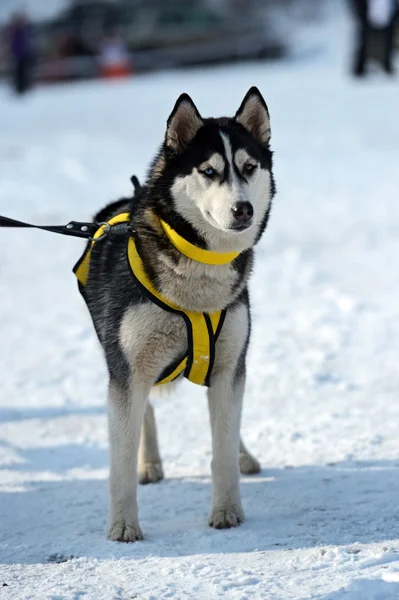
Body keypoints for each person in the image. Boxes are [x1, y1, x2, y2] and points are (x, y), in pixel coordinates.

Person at [349, 0, 398, 76]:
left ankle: (387, 64)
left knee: (389, 39)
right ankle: (359, 67)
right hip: (367, 11)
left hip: (386, 11)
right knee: (364, 39)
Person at [6, 12, 34, 94]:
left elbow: (25, 44)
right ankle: (19, 88)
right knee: (18, 73)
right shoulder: (16, 32)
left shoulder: (23, 31)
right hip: (18, 56)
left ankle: (23, 87)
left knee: (24, 72)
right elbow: (14, 44)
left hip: (23, 55)